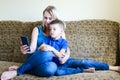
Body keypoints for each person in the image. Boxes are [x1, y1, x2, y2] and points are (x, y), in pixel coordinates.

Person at [1, 5, 120, 80]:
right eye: (45, 17)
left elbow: (66, 48)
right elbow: (33, 49)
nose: (47, 21)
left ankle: (113, 67)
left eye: (50, 18)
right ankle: (19, 71)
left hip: (54, 63)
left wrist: (65, 56)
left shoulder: (59, 31)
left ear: (56, 20)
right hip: (38, 60)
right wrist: (25, 49)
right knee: (47, 53)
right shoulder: (37, 30)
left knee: (56, 68)